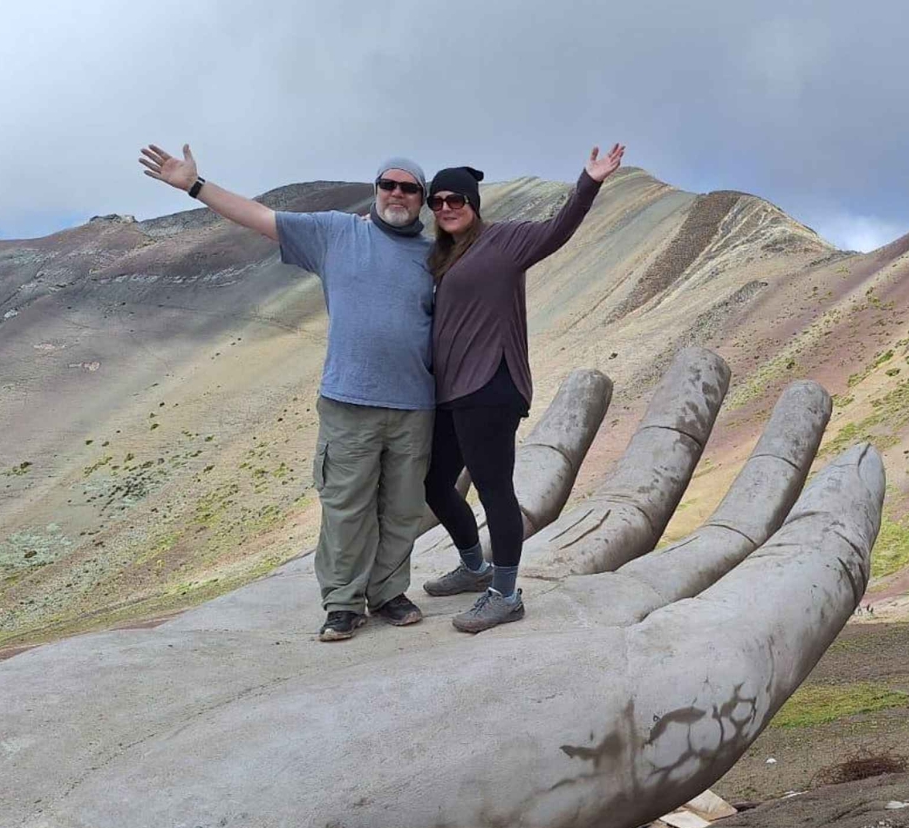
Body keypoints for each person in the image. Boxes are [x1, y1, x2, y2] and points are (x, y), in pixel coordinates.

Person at [138, 143, 436, 642]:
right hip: (349, 401)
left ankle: (388, 593)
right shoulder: (336, 233)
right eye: (389, 184)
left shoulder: (434, 255)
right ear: (376, 189)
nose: (397, 195)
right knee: (346, 506)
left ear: (422, 199)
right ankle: (343, 602)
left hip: (414, 405)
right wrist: (194, 184)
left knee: (403, 508)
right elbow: (260, 217)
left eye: (409, 188)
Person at [422, 144, 626, 633]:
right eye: (438, 200)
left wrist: (589, 182)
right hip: (451, 393)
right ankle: (475, 569)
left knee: (495, 491)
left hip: (492, 385)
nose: (448, 207)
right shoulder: (442, 257)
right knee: (433, 483)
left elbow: (559, 229)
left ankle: (506, 594)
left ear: (474, 203)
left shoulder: (504, 242)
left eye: (458, 199)